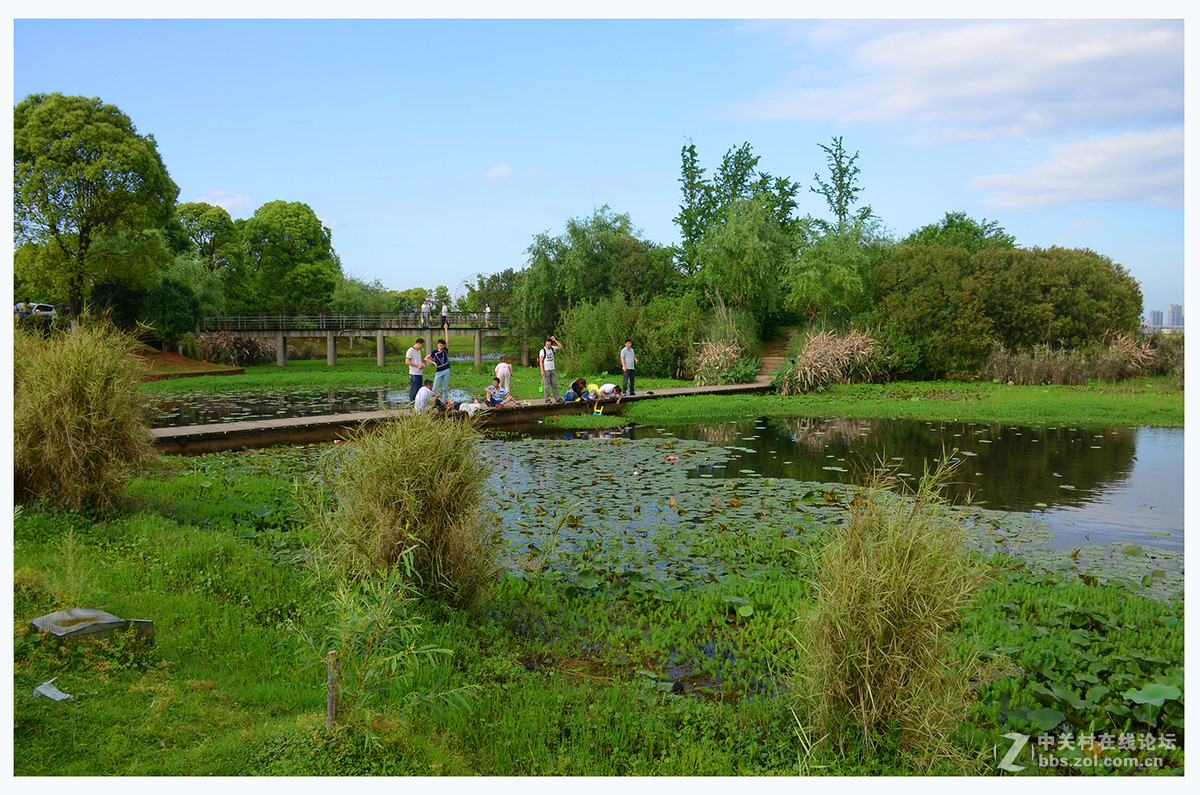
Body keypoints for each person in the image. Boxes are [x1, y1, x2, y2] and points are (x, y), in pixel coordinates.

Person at [538, 335, 564, 403]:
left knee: (554, 384)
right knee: (546, 385)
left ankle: (557, 398)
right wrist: (542, 370)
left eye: (549, 345)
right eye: (546, 344)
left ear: (551, 344)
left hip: (552, 369)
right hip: (546, 369)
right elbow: (541, 361)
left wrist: (555, 340)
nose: (548, 346)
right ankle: (547, 399)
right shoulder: (542, 351)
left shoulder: (553, 348)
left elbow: (561, 347)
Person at [405, 338, 426, 402]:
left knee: (419, 391)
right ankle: (412, 406)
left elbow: (418, 360)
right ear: (418, 344)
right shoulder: (410, 351)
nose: (422, 347)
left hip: (420, 373)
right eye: (422, 345)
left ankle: (418, 405)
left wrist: (422, 364)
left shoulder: (418, 351)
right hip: (414, 374)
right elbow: (407, 362)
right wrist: (417, 365)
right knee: (414, 391)